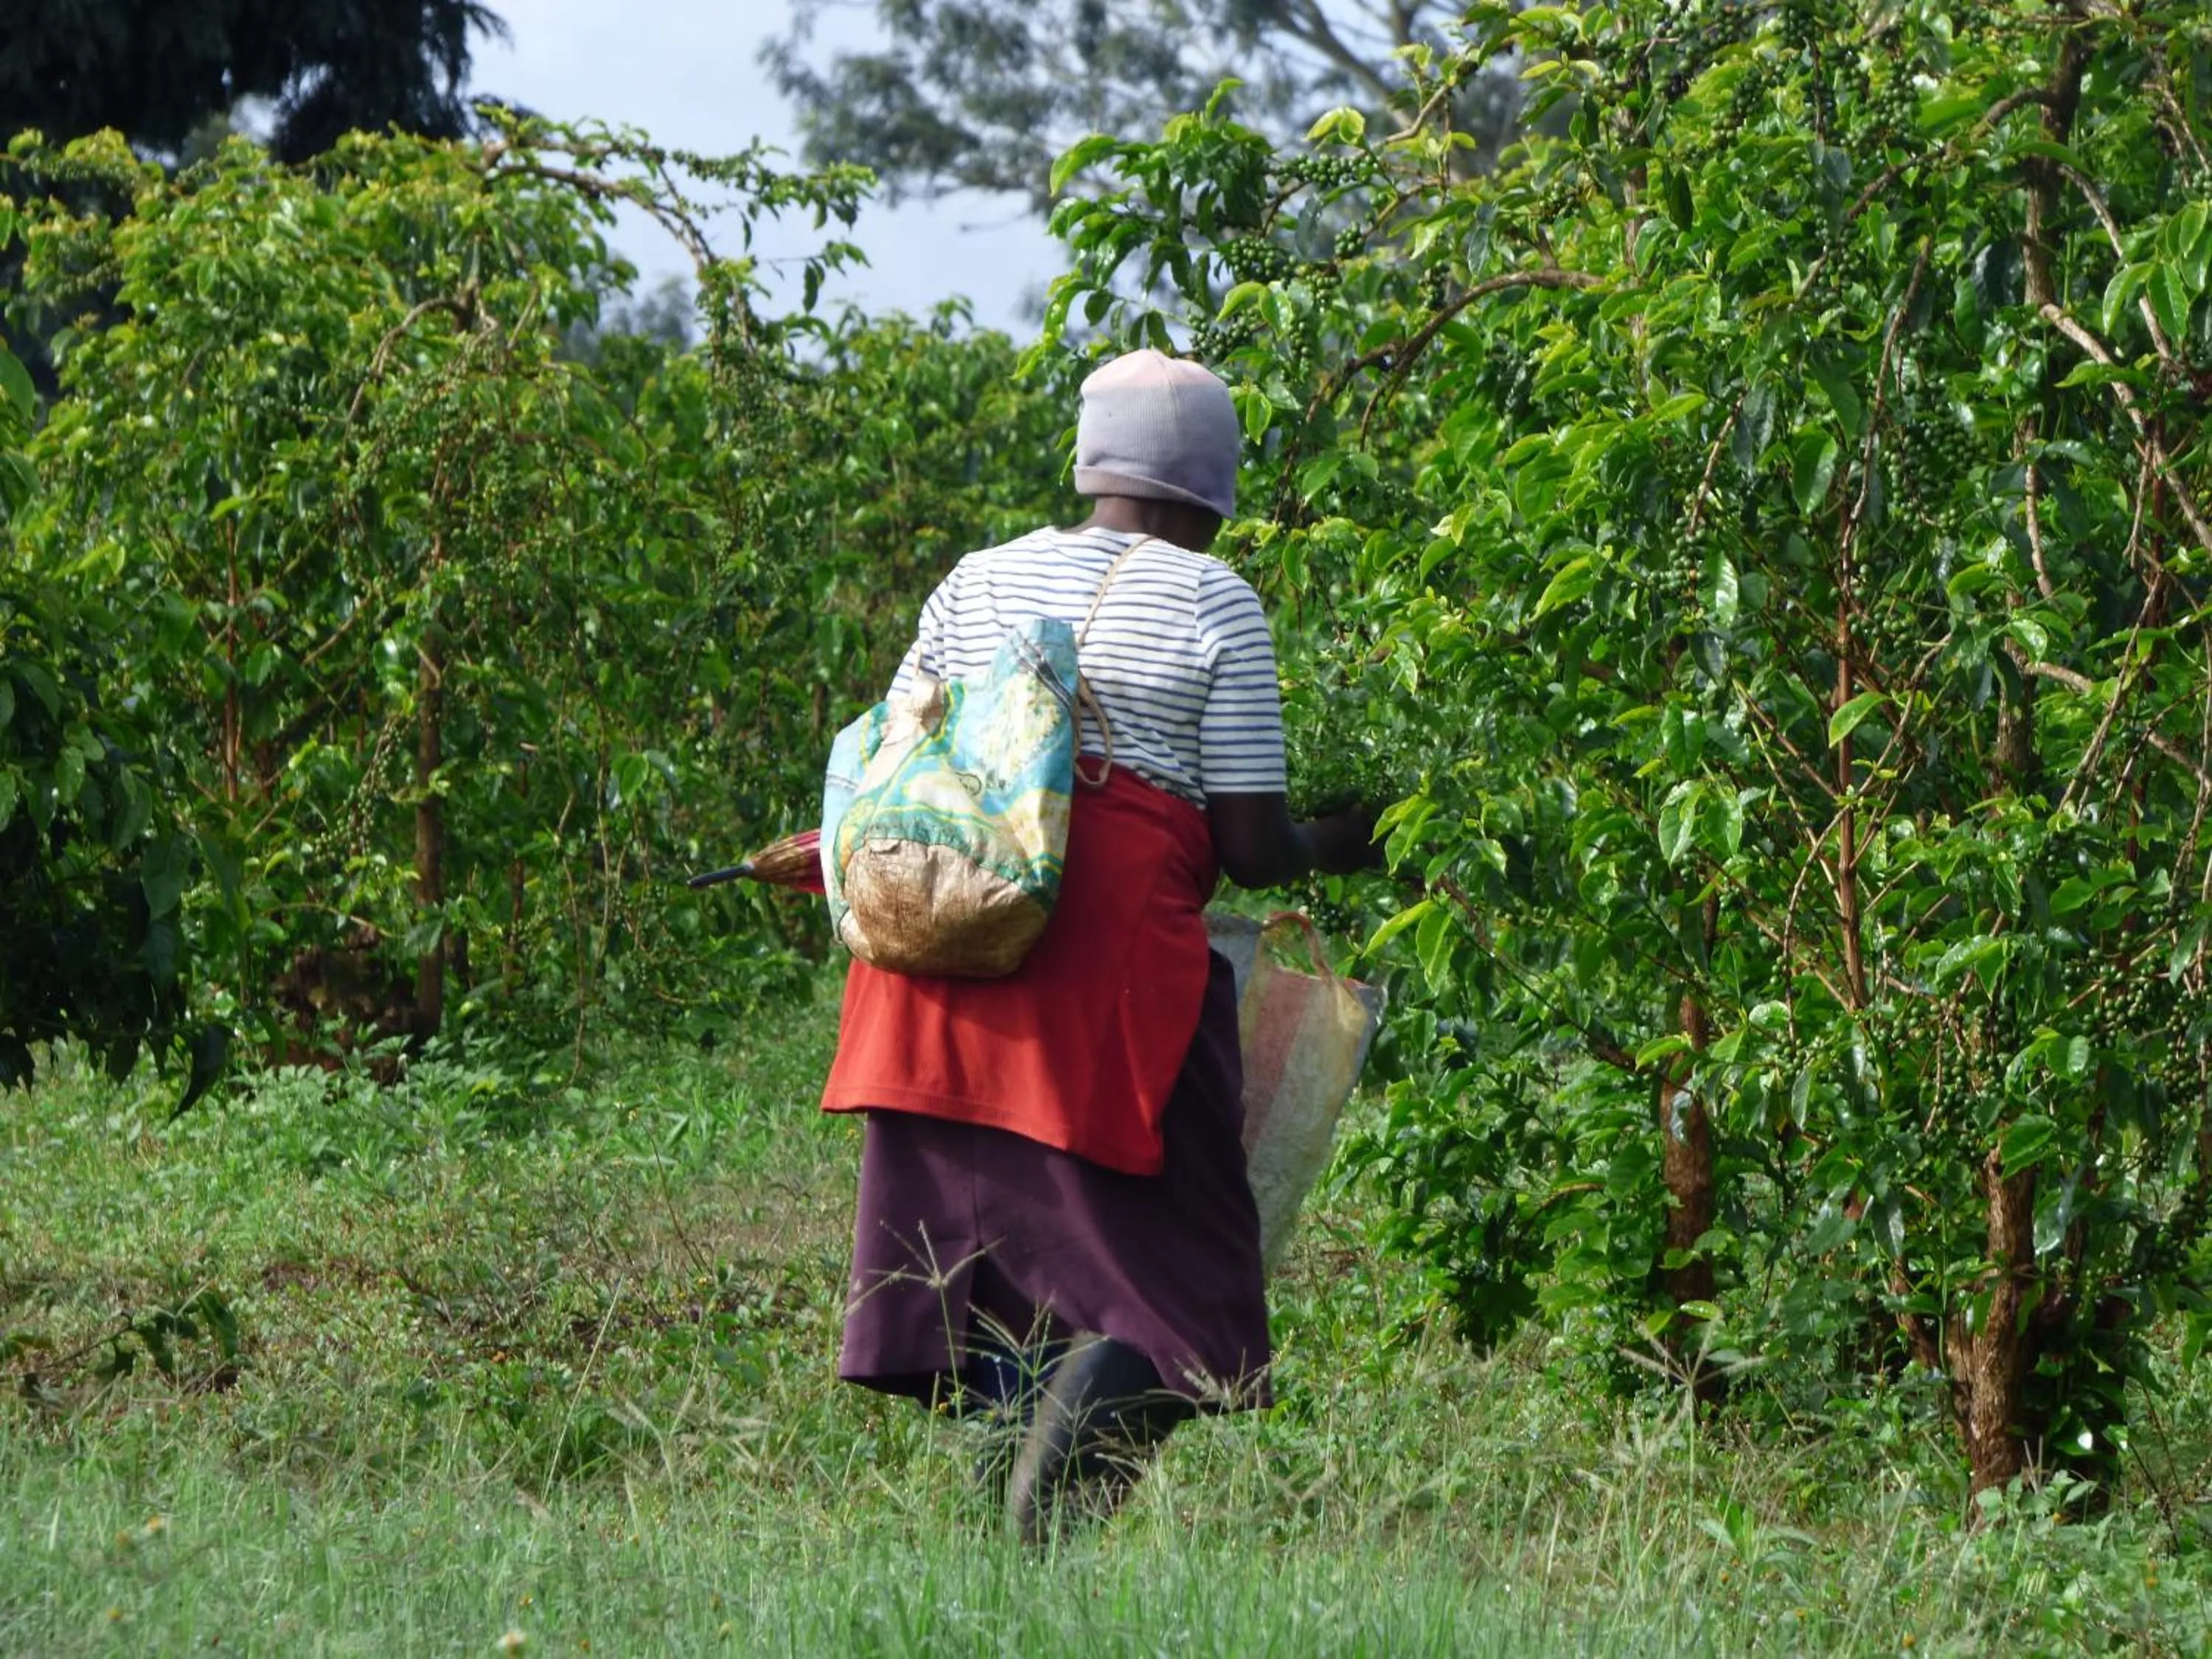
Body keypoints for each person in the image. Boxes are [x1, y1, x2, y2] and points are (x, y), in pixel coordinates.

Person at [818, 348, 1379, 1543]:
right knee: (1187, 1285)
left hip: (933, 966)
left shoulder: (978, 577)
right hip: (1102, 976)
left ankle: (1011, 1572)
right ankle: (1043, 1520)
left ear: (1089, 461)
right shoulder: (1214, 598)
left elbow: (893, 759)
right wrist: (1361, 836)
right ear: (1216, 490)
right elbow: (1254, 841)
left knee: (1004, 1282)